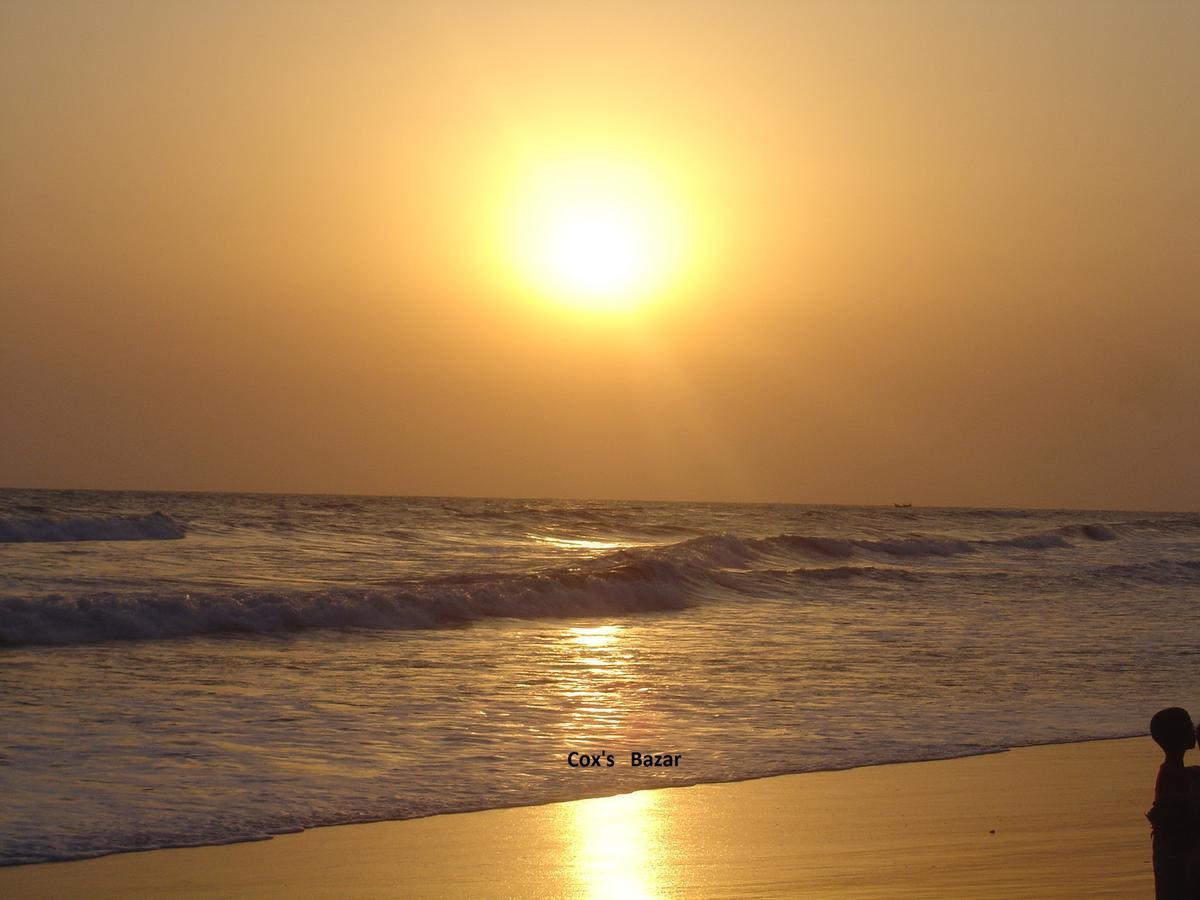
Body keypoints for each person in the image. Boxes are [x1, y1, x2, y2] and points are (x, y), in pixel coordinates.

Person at [1147, 707, 1197, 899]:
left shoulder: (1178, 771)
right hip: (1176, 857)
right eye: (1189, 725)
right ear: (1178, 735)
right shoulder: (1173, 775)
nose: (1193, 729)